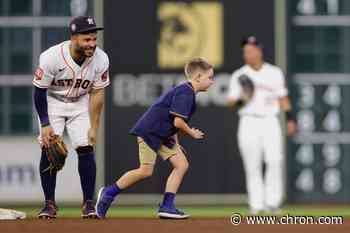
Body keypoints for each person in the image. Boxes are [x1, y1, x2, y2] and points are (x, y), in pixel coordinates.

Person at [95, 58, 214, 219]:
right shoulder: (186, 92)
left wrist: (176, 144)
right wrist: (192, 132)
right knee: (145, 171)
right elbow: (178, 121)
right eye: (210, 77)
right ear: (198, 77)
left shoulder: (187, 92)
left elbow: (172, 122)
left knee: (181, 164)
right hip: (150, 132)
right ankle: (109, 193)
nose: (212, 81)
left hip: (163, 135)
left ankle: (167, 206)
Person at [33, 16, 109, 219]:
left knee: (86, 147)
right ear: (73, 38)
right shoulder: (51, 57)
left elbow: (98, 94)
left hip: (80, 103)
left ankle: (88, 203)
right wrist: (45, 123)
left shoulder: (101, 59)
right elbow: (39, 92)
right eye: (87, 39)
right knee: (48, 149)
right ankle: (49, 204)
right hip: (53, 102)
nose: (92, 43)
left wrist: (94, 126)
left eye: (94, 38)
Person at [227, 36, 297, 214]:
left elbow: (283, 98)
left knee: (275, 160)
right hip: (249, 121)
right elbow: (231, 103)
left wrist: (290, 119)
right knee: (252, 165)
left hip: (270, 121)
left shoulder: (274, 72)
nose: (247, 54)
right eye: (245, 51)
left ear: (259, 51)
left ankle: (272, 203)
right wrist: (244, 98)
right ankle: (256, 205)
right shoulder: (239, 75)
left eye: (250, 50)